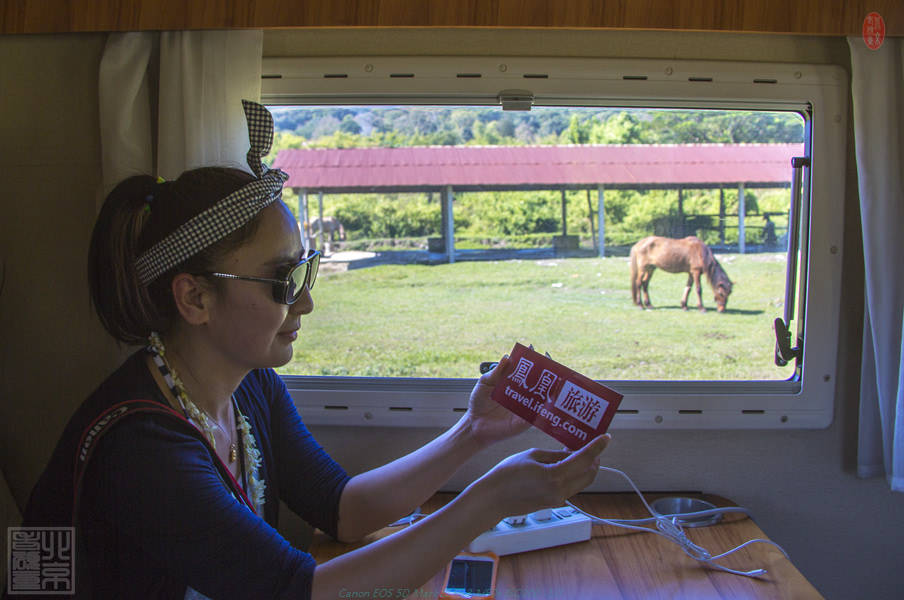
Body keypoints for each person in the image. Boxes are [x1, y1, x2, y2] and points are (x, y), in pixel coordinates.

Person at [18, 101, 611, 599]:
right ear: (194, 298)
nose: (303, 304)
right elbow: (300, 594)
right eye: (282, 282)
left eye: (305, 272)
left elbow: (341, 508)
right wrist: (494, 497)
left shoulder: (246, 385)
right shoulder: (140, 448)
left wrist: (473, 433)